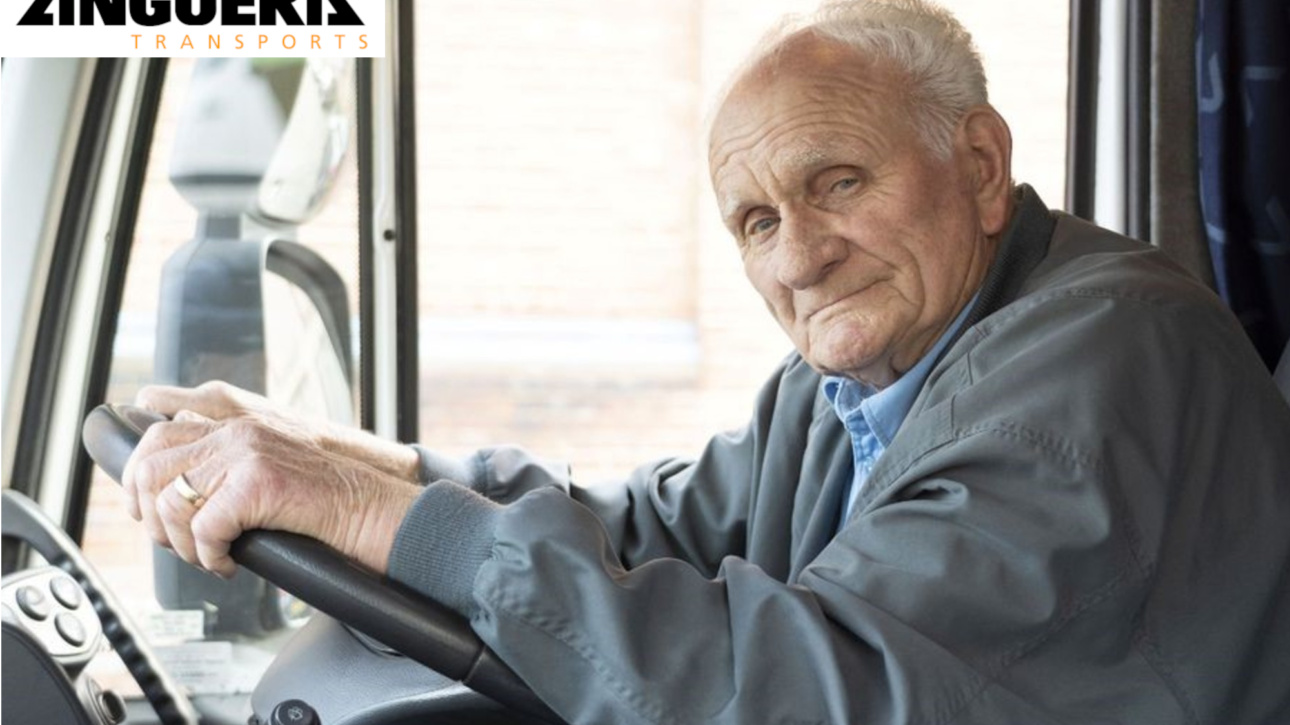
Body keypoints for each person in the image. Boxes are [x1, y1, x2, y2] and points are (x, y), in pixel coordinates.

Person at [122, 0, 1290, 723]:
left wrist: (370, 511)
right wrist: (335, 460)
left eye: (839, 182)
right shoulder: (872, 372)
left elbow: (804, 686)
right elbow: (656, 529)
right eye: (756, 222)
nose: (803, 256)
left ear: (981, 166)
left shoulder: (1096, 366)